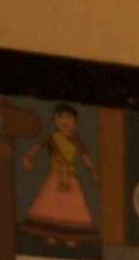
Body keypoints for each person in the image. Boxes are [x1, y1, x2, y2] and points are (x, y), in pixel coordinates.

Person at [20, 103, 99, 245]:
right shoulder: (52, 137)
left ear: (75, 122)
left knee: (72, 207)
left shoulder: (76, 140)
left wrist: (93, 171)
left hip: (70, 177)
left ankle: (71, 235)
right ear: (55, 120)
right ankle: (50, 233)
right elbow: (37, 147)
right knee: (51, 205)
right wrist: (28, 157)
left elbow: (85, 156)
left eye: (69, 118)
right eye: (60, 117)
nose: (65, 121)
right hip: (55, 176)